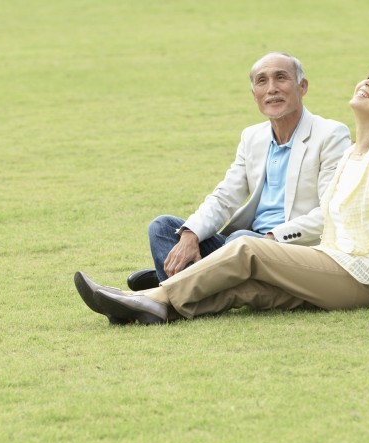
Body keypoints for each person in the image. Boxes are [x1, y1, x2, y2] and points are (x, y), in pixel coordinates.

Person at [75, 65, 369, 325]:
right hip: (332, 263)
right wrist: (195, 232)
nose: (368, 82)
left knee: (248, 249)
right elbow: (227, 194)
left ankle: (150, 293)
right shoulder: (353, 155)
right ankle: (152, 308)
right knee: (246, 289)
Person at [125, 52, 351, 292]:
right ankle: (187, 286)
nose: (272, 88)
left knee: (241, 241)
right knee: (162, 227)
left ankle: (165, 291)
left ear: (302, 86)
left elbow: (330, 212)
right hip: (243, 244)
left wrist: (271, 238)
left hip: (290, 250)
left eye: (281, 78)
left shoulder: (330, 134)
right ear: (254, 95)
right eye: (262, 81)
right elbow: (225, 197)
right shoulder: (252, 136)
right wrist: (190, 235)